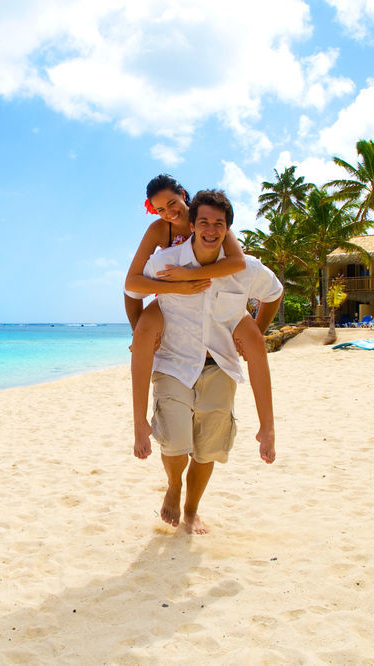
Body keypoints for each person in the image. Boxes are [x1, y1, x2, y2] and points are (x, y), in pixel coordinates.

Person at [127, 189, 282, 534]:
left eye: (219, 224)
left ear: (228, 229)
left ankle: (192, 510)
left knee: (207, 451)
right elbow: (132, 289)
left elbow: (273, 293)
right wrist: (141, 330)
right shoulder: (167, 262)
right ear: (192, 225)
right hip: (174, 364)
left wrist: (255, 329)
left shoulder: (246, 269)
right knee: (174, 442)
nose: (211, 230)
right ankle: (173, 485)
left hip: (220, 365)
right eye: (204, 223)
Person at [124, 175, 271, 459]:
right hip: (172, 295)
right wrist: (177, 287)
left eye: (172, 203)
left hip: (213, 294)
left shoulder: (209, 219)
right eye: (160, 210)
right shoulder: (158, 229)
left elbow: (237, 261)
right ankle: (139, 423)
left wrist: (192, 276)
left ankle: (267, 428)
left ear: (183, 194)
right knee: (143, 335)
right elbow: (132, 283)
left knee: (254, 339)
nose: (168, 213)